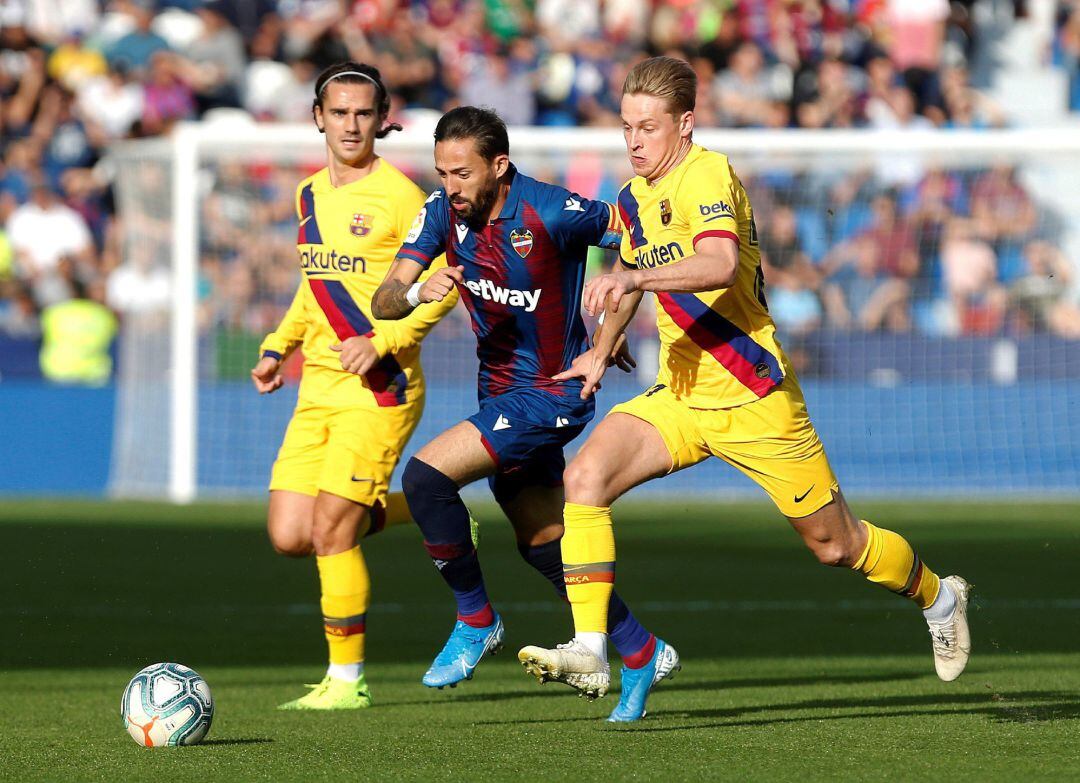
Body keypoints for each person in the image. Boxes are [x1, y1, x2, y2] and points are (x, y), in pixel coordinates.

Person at [518, 57, 971, 721]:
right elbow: (626, 274)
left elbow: (719, 262)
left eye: (648, 127)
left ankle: (939, 597)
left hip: (752, 394)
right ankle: (591, 646)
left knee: (836, 545)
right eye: (626, 127)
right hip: (679, 392)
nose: (635, 140)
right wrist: (600, 350)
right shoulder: (635, 194)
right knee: (584, 477)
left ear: (686, 123)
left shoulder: (707, 173)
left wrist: (637, 283)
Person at [371, 106, 678, 719]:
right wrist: (414, 292)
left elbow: (639, 246)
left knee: (426, 479)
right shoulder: (439, 214)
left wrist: (607, 335)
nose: (449, 186)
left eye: (461, 173)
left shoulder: (552, 211)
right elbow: (384, 299)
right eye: (441, 172)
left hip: (555, 391)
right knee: (542, 544)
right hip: (500, 392)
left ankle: (476, 619)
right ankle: (641, 649)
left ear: (499, 166)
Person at [251, 61, 457, 711]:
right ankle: (429, 509)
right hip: (317, 384)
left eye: (363, 113)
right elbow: (315, 286)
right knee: (291, 533)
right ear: (318, 117)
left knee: (333, 531)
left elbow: (444, 286)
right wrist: (277, 344)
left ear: (383, 117)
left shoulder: (403, 198)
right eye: (338, 112)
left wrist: (384, 340)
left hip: (380, 386)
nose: (350, 124)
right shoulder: (308, 193)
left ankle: (347, 680)